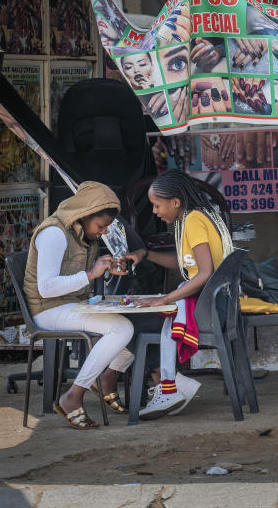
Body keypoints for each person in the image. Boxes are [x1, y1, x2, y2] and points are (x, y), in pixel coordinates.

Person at [121, 170, 235, 419]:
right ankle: (171, 381)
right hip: (217, 302)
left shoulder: (193, 220)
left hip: (212, 307)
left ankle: (168, 383)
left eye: (156, 204)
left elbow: (205, 273)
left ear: (175, 202)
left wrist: (165, 299)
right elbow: (183, 263)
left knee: (136, 321)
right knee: (158, 311)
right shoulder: (195, 218)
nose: (154, 211)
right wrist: (146, 254)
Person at [23, 181, 133, 429]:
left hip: (72, 304)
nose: (103, 232)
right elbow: (46, 288)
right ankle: (73, 395)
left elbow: (82, 277)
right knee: (121, 329)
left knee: (134, 324)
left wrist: (107, 272)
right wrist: (91, 275)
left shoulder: (82, 234)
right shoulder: (54, 233)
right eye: (100, 226)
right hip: (47, 310)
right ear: (83, 215)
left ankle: (103, 380)